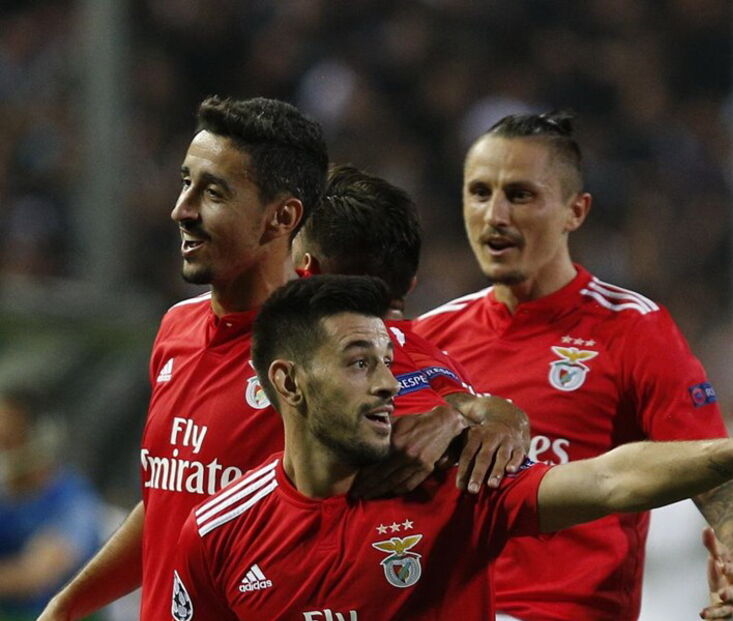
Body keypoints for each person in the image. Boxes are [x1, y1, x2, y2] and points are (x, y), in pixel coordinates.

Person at [40, 97, 524, 621]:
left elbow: (461, 407)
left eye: (213, 192)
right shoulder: (176, 329)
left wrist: (485, 413)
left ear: (283, 217)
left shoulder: (333, 343)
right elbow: (168, 505)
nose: (182, 208)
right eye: (186, 182)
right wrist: (68, 605)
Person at [171, 274, 733, 621]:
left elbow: (609, 479)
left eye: (389, 359)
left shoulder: (451, 487)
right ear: (288, 382)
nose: (388, 382)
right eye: (360, 362)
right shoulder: (217, 532)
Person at [412, 111, 733, 620]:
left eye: (519, 195)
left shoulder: (633, 330)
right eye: (479, 192)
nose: (494, 214)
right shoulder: (429, 337)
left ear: (574, 212)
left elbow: (728, 495)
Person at [292, 164, 529, 499]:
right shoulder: (426, 357)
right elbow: (463, 405)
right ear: (409, 285)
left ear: (305, 270)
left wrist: (488, 417)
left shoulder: (289, 346)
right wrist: (498, 416)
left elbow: (459, 407)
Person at [0, 388, 102, 620]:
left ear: (40, 438)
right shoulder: (4, 498)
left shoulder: (73, 503)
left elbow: (34, 576)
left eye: (7, 439)